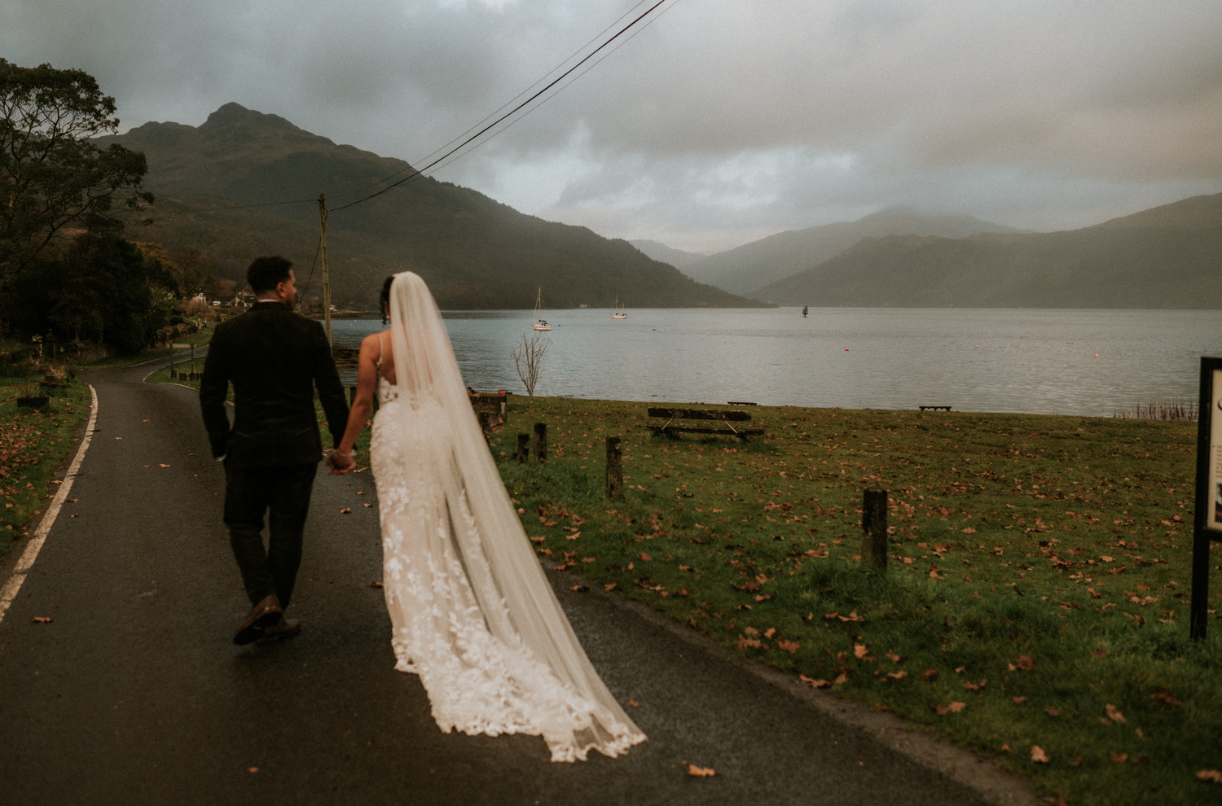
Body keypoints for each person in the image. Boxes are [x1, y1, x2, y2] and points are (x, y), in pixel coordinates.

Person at [329, 272, 645, 762]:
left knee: (400, 529)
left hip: (394, 438)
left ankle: (413, 629)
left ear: (387, 306)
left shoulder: (374, 344)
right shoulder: (435, 344)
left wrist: (345, 449)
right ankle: (436, 615)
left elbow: (364, 403)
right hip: (432, 435)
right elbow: (451, 399)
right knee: (432, 524)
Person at [200, 256, 350, 646]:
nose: (297, 291)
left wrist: (222, 446)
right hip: (299, 449)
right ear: (281, 287)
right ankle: (273, 609)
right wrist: (342, 446)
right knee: (287, 529)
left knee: (243, 525)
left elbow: (210, 397)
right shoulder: (309, 331)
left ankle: (264, 601)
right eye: (294, 284)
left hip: (247, 448)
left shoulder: (228, 333)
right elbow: (332, 392)